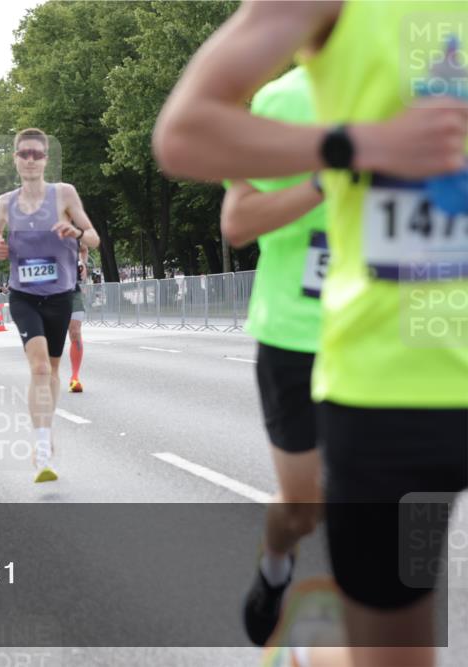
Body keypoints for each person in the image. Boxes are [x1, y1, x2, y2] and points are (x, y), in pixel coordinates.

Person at [154, 3, 467, 666]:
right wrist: (351, 152)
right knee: (304, 507)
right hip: (359, 362)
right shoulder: (287, 91)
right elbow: (210, 179)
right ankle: (294, 598)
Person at [220, 66, 328, 647]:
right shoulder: (284, 99)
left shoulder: (434, 85)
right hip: (298, 333)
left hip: (387, 336)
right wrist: (326, 181)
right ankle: (276, 564)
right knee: (306, 507)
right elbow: (237, 222)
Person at [0, 128, 100, 482]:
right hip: (23, 296)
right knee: (38, 369)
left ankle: (45, 434)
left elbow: (93, 238)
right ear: (16, 159)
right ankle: (41, 446)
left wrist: (76, 233)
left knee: (51, 371)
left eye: (37, 154)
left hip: (60, 295)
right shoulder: (6, 202)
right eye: (24, 154)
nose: (31, 160)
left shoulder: (64, 194)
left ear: (46, 158)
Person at [67, 243, 90, 392]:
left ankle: (75, 378)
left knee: (75, 332)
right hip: (47, 293)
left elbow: (84, 248)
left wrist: (83, 264)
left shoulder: (69, 235)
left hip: (72, 292)